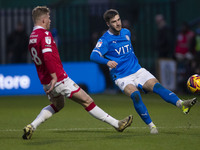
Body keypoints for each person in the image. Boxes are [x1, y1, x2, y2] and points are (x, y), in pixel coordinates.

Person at [22, 6, 133, 140]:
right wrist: (54, 76)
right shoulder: (45, 34)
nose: (50, 20)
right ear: (44, 20)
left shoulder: (32, 37)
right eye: (49, 18)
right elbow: (47, 57)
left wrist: (48, 79)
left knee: (58, 105)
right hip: (57, 79)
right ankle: (117, 124)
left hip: (46, 81)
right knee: (87, 101)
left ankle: (32, 126)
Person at [90, 9, 197, 134]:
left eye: (118, 20)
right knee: (136, 95)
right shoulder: (105, 40)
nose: (118, 23)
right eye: (114, 22)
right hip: (121, 76)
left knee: (157, 86)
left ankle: (181, 104)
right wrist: (107, 62)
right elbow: (93, 56)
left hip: (138, 70)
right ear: (108, 24)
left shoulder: (126, 32)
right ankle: (152, 126)